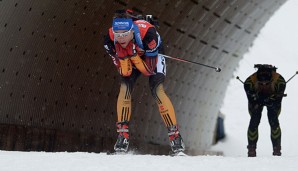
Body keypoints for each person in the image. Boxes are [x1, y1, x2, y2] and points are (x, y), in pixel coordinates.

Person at [103, 9, 185, 153]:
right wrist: (127, 58)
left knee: (157, 90)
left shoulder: (148, 35)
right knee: (125, 87)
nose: (121, 38)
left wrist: (135, 55)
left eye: (124, 34)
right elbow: (122, 69)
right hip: (132, 54)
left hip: (151, 55)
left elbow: (150, 69)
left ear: (131, 31)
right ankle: (122, 135)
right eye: (118, 34)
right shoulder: (109, 40)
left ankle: (175, 137)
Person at [244, 64, 286, 157]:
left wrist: (271, 101)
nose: (264, 85)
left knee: (274, 120)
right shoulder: (249, 82)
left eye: (267, 83)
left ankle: (277, 149)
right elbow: (251, 99)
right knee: (254, 120)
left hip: (273, 98)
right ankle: (251, 148)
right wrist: (258, 100)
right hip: (256, 99)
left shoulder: (280, 81)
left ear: (271, 79)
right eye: (261, 83)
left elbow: (278, 100)